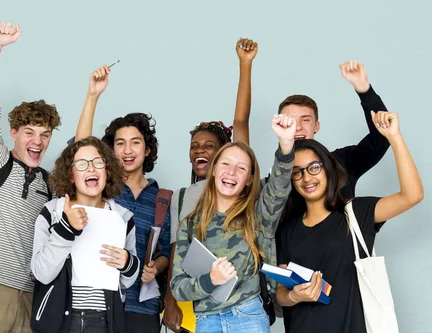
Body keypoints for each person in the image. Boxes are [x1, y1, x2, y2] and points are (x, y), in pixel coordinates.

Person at [275, 112, 424, 332]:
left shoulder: (355, 213)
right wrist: (294, 296)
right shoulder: (288, 228)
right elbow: (280, 294)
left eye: (314, 167)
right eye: (297, 172)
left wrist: (395, 137)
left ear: (327, 169)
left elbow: (412, 195)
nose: (307, 178)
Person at [0, 22, 62, 333]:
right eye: (29, 132)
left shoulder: (49, 183)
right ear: (14, 134)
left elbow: (83, 161)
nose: (38, 141)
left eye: (45, 134)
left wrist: (91, 97)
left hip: (33, 294)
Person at [170, 114, 296, 332]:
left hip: (248, 316)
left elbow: (278, 189)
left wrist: (286, 144)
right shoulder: (190, 225)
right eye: (226, 164)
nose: (231, 172)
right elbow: (178, 288)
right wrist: (210, 280)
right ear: (214, 170)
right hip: (206, 321)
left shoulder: (258, 217)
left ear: (248, 180)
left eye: (241, 168)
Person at [166, 37, 258, 331]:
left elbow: (240, 121)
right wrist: (170, 303)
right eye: (195, 146)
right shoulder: (182, 198)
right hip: (197, 304)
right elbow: (175, 255)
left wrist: (245, 65)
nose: (200, 151)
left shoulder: (241, 189)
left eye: (209, 146)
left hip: (239, 306)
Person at [74, 65, 171, 333]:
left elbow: (165, 251)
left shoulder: (162, 198)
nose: (128, 150)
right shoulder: (101, 189)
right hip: (100, 303)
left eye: (135, 142)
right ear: (110, 150)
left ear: (147, 148)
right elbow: (79, 151)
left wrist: (156, 266)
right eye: (120, 143)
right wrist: (92, 96)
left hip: (144, 307)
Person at [31, 137, 140, 333]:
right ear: (70, 175)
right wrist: (65, 229)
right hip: (58, 320)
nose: (91, 169)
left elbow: (127, 281)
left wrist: (127, 262)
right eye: (81, 164)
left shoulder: (122, 218)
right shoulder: (52, 213)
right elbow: (41, 273)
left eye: (98, 162)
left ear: (107, 171)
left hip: (103, 321)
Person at [277, 61, 390, 199]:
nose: (298, 127)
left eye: (305, 120)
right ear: (278, 127)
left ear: (316, 126)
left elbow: (383, 136)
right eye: (290, 121)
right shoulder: (275, 180)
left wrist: (364, 91)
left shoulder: (342, 162)